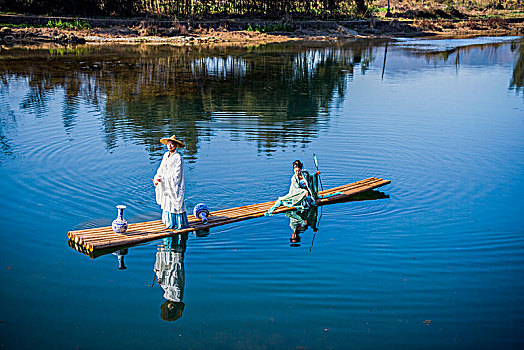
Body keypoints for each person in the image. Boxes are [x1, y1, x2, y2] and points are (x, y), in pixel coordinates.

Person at [154, 135, 189, 230]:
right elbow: (161, 168)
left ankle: (177, 223)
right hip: (165, 184)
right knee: (167, 201)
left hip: (173, 184)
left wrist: (165, 178)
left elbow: (177, 174)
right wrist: (157, 177)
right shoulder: (166, 155)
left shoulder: (178, 157)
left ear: (176, 146)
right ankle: (168, 222)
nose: (170, 146)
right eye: (169, 144)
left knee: (175, 201)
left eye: (172, 144)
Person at [155, 235, 188, 322]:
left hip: (170, 273)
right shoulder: (176, 298)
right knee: (173, 259)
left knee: (169, 258)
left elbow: (168, 286)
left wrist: (161, 282)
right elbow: (174, 282)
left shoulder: (171, 297)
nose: (170, 307)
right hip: (172, 273)